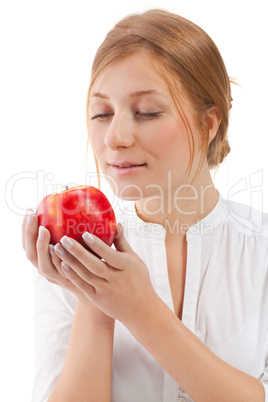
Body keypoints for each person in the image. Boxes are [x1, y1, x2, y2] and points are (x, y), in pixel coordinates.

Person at [22, 8, 268, 402]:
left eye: (147, 112)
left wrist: (141, 311)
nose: (114, 137)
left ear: (210, 123)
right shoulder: (71, 258)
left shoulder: (262, 250)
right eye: (102, 113)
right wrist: (92, 300)